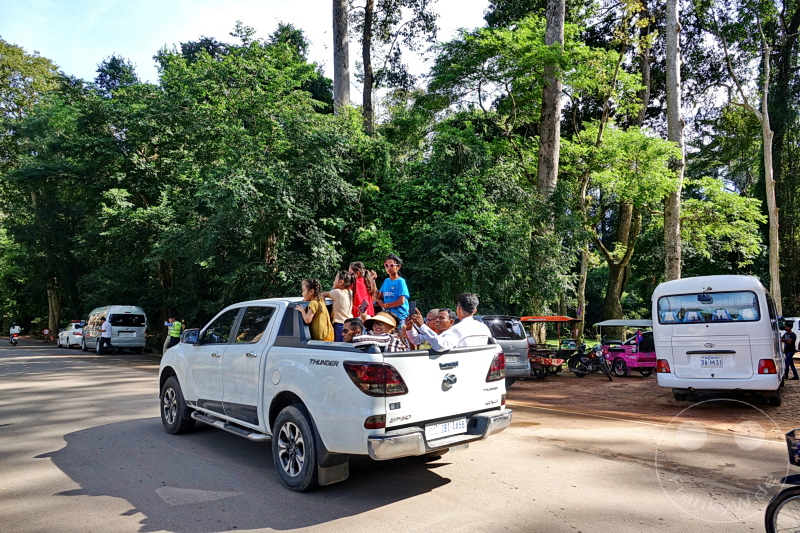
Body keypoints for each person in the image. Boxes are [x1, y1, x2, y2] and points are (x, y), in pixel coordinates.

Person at [408, 293, 491, 350]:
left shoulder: (455, 330)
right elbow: (417, 339)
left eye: (441, 318)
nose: (438, 321)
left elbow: (440, 345)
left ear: (458, 309)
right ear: (475, 311)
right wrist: (410, 328)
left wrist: (422, 326)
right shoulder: (484, 328)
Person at [375, 254, 410, 322]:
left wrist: (385, 305)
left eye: (391, 265)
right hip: (388, 316)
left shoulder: (400, 281)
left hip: (400, 316)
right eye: (386, 265)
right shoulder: (386, 281)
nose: (388, 268)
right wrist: (373, 280)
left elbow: (401, 301)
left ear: (398, 267)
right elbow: (378, 296)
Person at [322, 271, 354, 342]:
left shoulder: (337, 292)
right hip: (351, 324)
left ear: (341, 282)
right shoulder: (351, 292)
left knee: (339, 346)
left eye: (335, 279)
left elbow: (323, 294)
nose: (333, 282)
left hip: (340, 325)